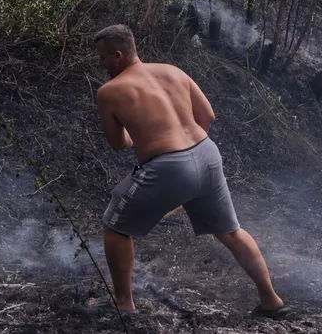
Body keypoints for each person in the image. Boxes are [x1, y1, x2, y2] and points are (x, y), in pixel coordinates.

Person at [92, 24, 288, 319]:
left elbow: (119, 144)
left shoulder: (109, 92)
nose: (101, 64)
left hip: (168, 167)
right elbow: (207, 116)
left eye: (102, 58)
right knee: (231, 232)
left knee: (116, 227)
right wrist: (188, 154)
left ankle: (123, 300)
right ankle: (271, 299)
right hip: (207, 154)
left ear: (118, 55)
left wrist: (153, 143)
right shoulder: (172, 71)